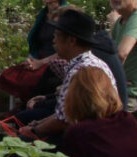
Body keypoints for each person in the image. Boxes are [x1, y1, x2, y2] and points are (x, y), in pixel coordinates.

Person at [18, 10, 116, 142]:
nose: (53, 41)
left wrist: (35, 130)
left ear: (71, 41)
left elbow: (64, 121)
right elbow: (63, 113)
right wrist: (39, 123)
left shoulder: (82, 71)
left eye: (57, 35)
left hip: (88, 140)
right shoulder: (89, 63)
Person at [24, 0, 69, 68]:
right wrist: (31, 60)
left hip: (57, 64)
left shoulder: (67, 15)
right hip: (40, 59)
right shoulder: (42, 15)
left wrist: (40, 63)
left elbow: (67, 51)